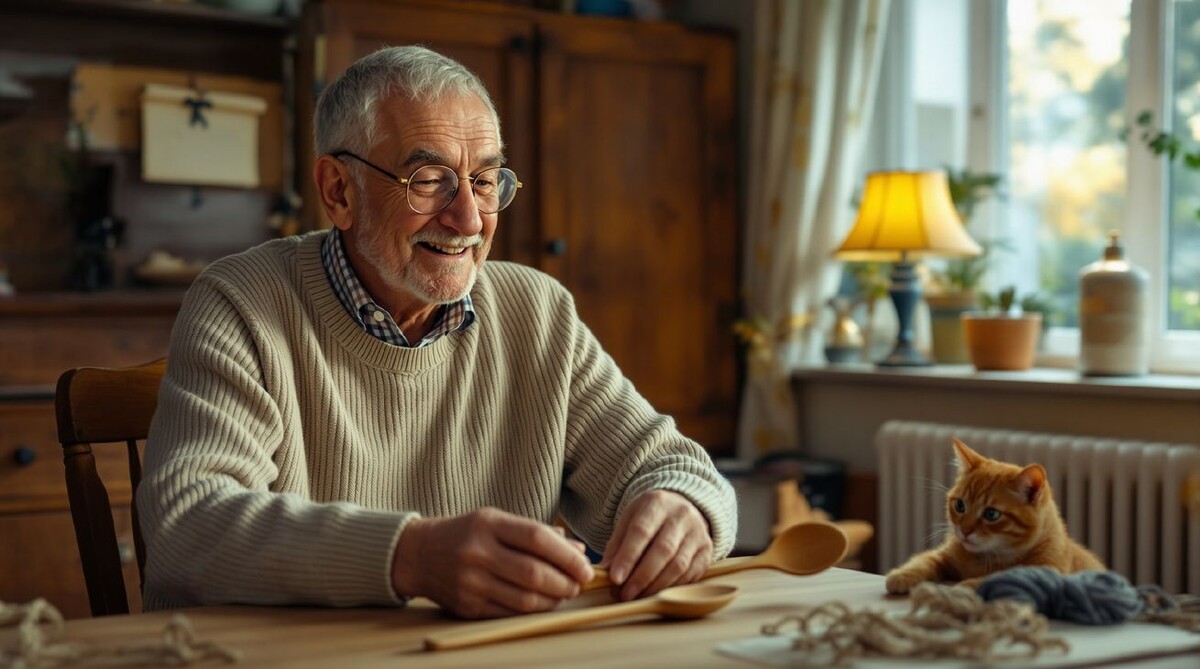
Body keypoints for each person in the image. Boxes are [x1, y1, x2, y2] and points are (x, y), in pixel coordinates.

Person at [136, 45, 737, 620]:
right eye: (428, 179)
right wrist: (411, 557)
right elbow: (186, 527)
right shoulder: (241, 302)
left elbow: (669, 468)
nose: (469, 218)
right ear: (338, 191)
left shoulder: (538, 311)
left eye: (485, 179)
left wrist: (683, 508)